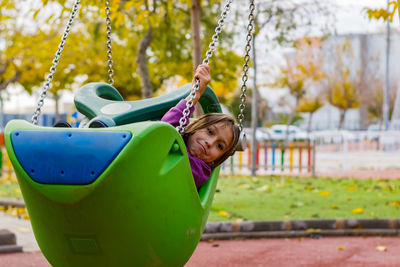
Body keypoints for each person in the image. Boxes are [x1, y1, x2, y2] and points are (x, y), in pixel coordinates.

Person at [161, 64, 240, 189]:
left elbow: (164, 137)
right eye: (210, 131)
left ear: (217, 159)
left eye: (220, 146)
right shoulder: (179, 135)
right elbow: (165, 129)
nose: (210, 143)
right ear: (197, 127)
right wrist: (195, 94)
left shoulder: (200, 171)